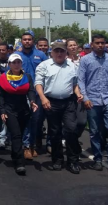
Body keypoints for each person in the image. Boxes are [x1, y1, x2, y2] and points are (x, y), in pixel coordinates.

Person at [35, 42, 83, 174]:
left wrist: (78, 93)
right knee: (54, 132)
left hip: (68, 102)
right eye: (57, 51)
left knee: (72, 130)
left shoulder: (72, 66)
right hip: (51, 102)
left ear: (66, 53)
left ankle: (73, 160)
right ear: (52, 53)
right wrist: (43, 98)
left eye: (62, 51)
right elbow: (38, 84)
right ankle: (57, 159)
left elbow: (75, 84)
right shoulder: (44, 65)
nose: (59, 54)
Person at [78, 34, 108, 174]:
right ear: (92, 44)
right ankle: (97, 159)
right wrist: (85, 98)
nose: (100, 45)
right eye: (97, 43)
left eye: (102, 43)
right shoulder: (85, 60)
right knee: (95, 131)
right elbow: (81, 80)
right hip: (92, 100)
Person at [0, 53, 37, 175]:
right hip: (9, 111)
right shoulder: (3, 78)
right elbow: (0, 96)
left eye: (18, 62)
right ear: (9, 64)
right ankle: (20, 163)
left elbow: (30, 91)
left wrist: (32, 101)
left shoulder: (27, 77)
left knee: (19, 133)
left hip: (23, 111)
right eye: (13, 62)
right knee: (16, 135)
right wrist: (2, 111)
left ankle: (15, 154)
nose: (16, 65)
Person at [13, 30, 47, 160]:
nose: (27, 41)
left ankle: (32, 144)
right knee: (24, 120)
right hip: (21, 92)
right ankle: (26, 146)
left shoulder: (41, 55)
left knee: (36, 120)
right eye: (25, 39)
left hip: (38, 92)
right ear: (21, 41)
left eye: (29, 39)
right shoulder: (16, 55)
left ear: (33, 41)